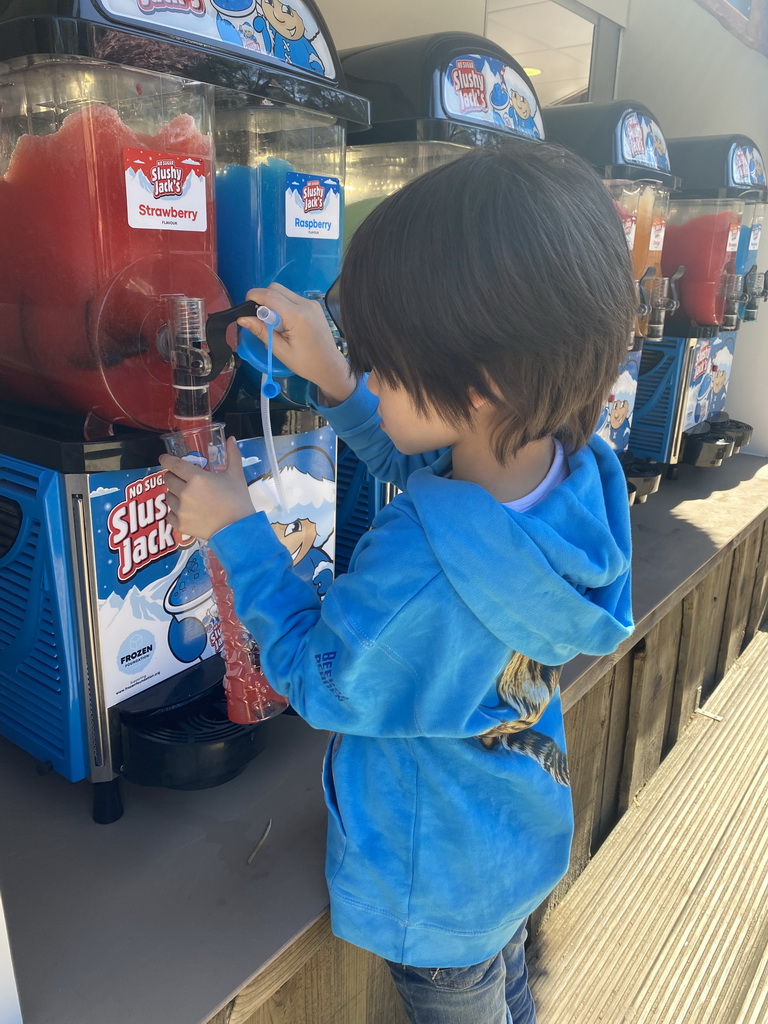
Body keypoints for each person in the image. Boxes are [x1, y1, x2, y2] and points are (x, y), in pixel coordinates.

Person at [160, 141, 636, 1024]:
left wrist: (236, 533)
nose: (373, 377)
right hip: (514, 837)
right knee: (513, 994)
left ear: (479, 384)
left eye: (386, 364)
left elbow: (322, 679)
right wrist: (338, 378)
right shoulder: (571, 474)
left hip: (437, 888)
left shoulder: (425, 567)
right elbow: (429, 458)